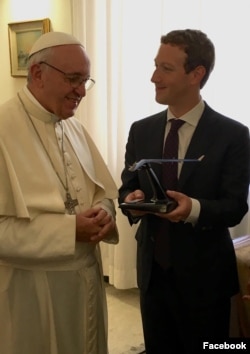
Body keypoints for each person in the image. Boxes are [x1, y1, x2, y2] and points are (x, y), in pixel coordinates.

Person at [118, 29, 250, 353]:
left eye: (166, 68)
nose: (153, 77)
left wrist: (192, 208)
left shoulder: (233, 135)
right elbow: (128, 188)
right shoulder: (141, 130)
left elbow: (235, 206)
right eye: (155, 66)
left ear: (196, 74)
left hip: (206, 279)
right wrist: (131, 203)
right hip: (153, 276)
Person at [0, 31, 119, 354]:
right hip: (31, 293)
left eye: (86, 81)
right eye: (73, 79)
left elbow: (102, 192)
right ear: (38, 74)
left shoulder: (74, 127)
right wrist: (70, 230)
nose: (81, 91)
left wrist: (105, 213)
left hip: (86, 282)